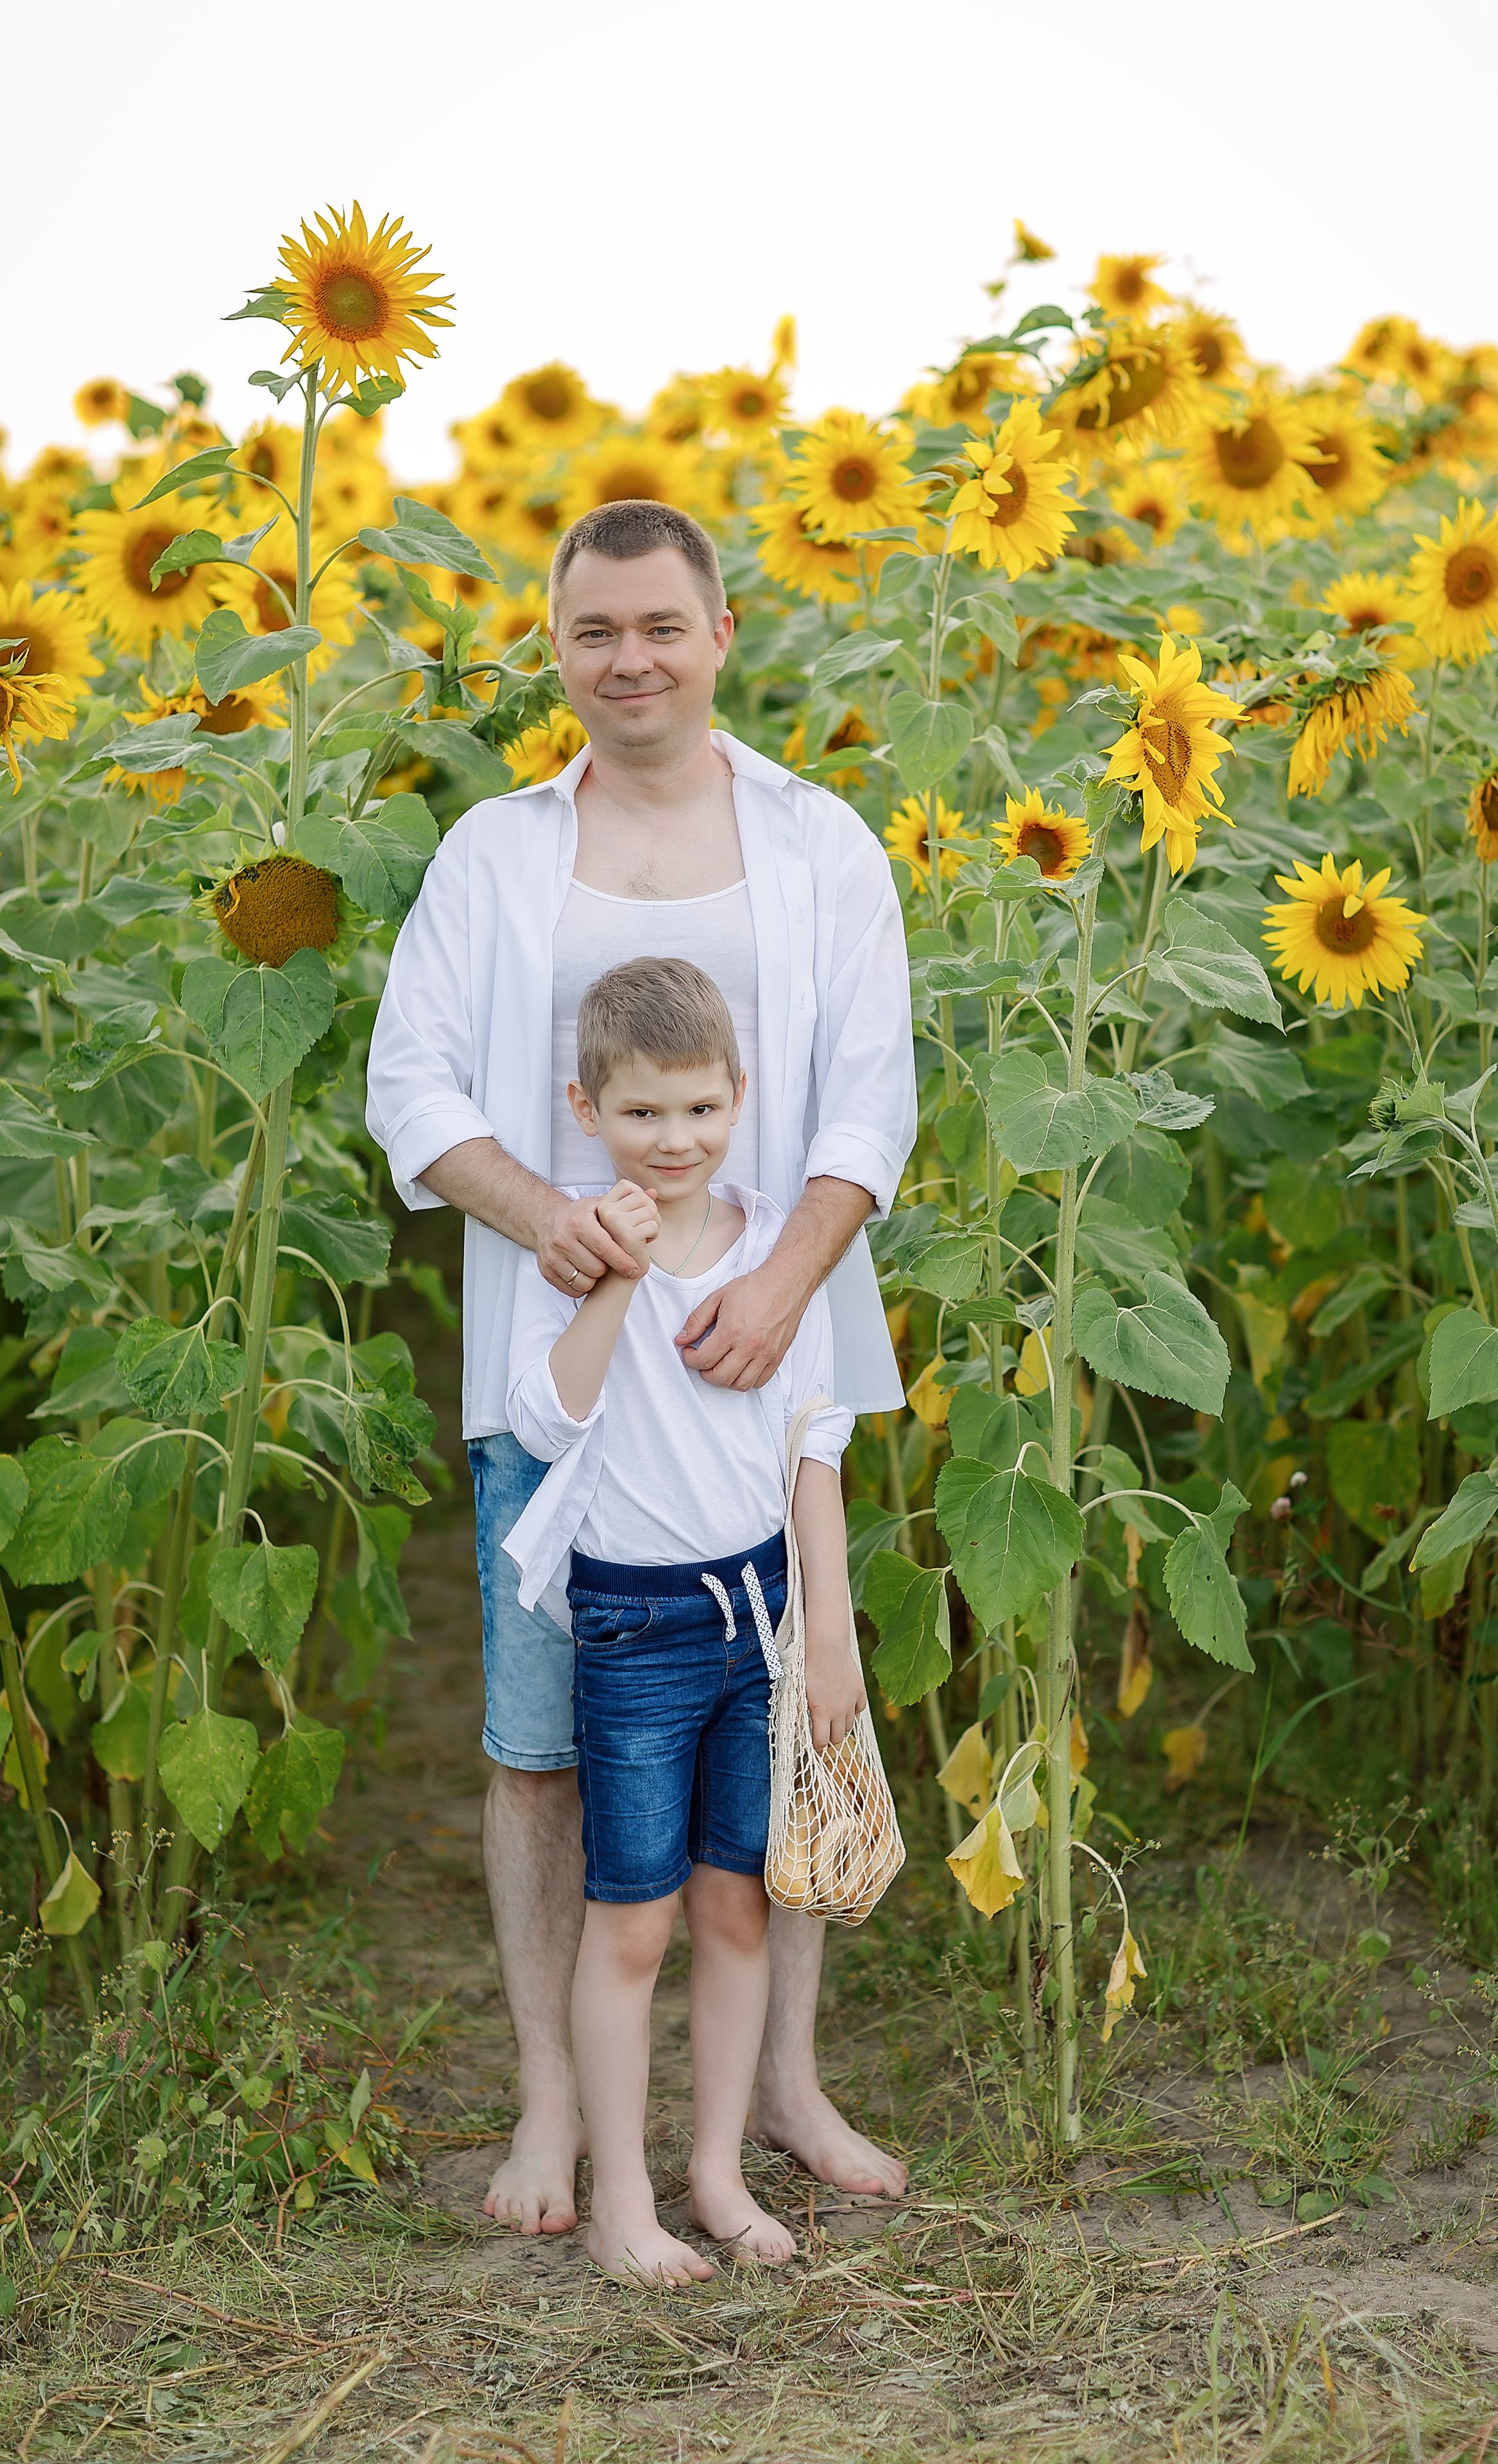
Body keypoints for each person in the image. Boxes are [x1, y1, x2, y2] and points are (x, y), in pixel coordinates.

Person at [365, 497, 916, 2235]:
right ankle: (555, 2113)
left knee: (787, 1730)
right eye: (596, 632)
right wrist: (553, 1224)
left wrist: (793, 1288)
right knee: (541, 1745)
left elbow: (867, 1104)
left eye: (661, 626)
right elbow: (415, 1091)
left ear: (721, 631)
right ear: (558, 645)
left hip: (766, 1356)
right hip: (565, 1367)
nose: (631, 660)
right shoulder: (498, 853)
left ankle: (784, 2095)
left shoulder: (820, 843)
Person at [501, 956, 862, 2286]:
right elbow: (546, 1423)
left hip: (760, 1622)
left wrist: (826, 1628)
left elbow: (810, 1442)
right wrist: (614, 1284)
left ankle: (715, 2170)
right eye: (643, 1115)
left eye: (699, 1112)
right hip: (634, 1632)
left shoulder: (777, 1255)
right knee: (633, 1921)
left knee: (737, 1909)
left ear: (737, 1099)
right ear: (587, 1108)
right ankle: (623, 2205)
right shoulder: (584, 1255)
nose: (674, 1141)